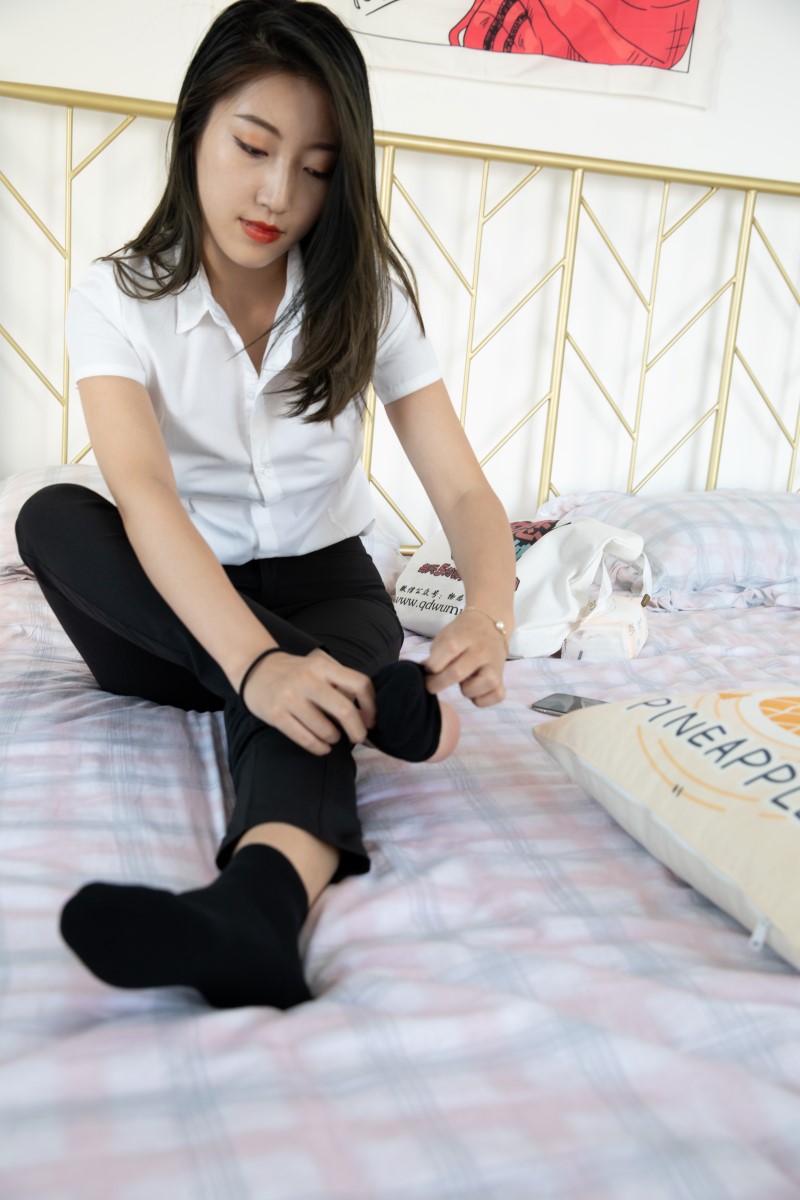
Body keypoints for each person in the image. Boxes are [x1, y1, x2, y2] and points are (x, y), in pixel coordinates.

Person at [15, 0, 516, 1011]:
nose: (278, 193)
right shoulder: (116, 297)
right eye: (252, 146)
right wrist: (255, 662)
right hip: (170, 612)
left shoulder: (368, 295)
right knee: (50, 517)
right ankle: (358, 696)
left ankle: (255, 911)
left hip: (327, 584)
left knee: (307, 697)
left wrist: (489, 612)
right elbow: (144, 494)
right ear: (195, 126)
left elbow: (461, 486)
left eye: (318, 168)